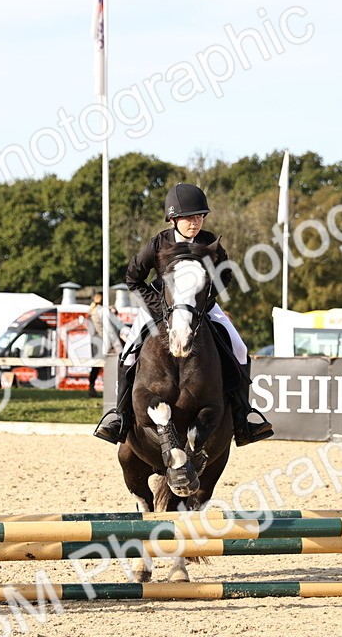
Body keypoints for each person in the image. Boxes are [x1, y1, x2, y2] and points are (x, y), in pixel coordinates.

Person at [93, 183, 273, 446]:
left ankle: (243, 417)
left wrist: (205, 301)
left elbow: (225, 276)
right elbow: (133, 278)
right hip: (159, 306)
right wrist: (158, 306)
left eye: (200, 216)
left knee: (240, 348)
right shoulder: (158, 243)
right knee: (128, 352)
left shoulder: (209, 243)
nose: (196, 222)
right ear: (173, 218)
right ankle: (120, 417)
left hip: (200, 307)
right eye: (190, 217)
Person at [87, 292, 116, 397]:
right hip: (102, 341)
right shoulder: (101, 310)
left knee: (96, 366)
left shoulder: (92, 310)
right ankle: (109, 389)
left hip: (95, 341)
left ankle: (91, 387)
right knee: (109, 365)